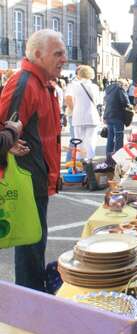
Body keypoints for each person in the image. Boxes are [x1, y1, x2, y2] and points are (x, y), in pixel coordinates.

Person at [0, 29, 65, 292]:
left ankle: (33, 304)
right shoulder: (25, 82)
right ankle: (30, 311)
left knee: (35, 246)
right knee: (30, 250)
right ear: (37, 55)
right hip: (26, 181)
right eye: (58, 53)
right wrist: (8, 142)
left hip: (36, 179)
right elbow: (5, 122)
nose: (64, 59)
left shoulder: (42, 83)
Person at [65, 65, 100, 160]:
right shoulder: (95, 87)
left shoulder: (73, 86)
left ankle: (79, 165)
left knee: (79, 142)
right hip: (92, 117)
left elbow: (68, 99)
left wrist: (74, 109)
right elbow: (97, 102)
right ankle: (89, 164)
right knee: (91, 142)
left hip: (78, 117)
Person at [103, 79, 130, 165]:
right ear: (123, 84)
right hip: (117, 116)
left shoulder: (108, 88)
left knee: (110, 137)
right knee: (119, 137)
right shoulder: (120, 89)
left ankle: (109, 158)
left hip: (108, 116)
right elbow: (126, 102)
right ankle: (118, 159)